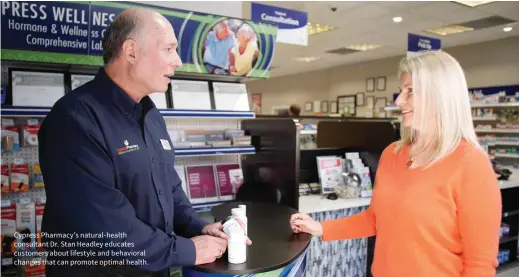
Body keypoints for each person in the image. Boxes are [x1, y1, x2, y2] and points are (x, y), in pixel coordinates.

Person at [38, 9, 249, 277]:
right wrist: (186, 251)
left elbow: (168, 188)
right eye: (169, 49)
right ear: (131, 51)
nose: (178, 62)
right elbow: (105, 224)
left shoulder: (150, 115)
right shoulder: (75, 119)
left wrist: (198, 227)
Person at [290, 51, 502, 277]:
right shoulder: (393, 154)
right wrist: (321, 228)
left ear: (440, 95)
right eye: (402, 91)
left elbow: (479, 263)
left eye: (410, 91)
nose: (399, 100)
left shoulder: (471, 164)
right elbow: (375, 218)